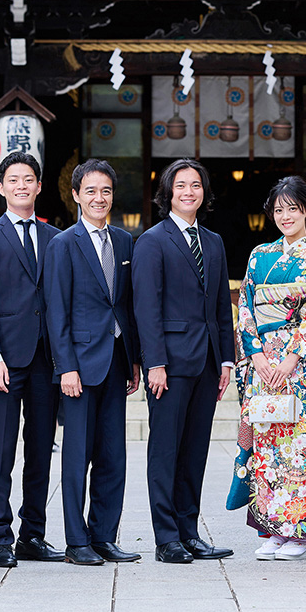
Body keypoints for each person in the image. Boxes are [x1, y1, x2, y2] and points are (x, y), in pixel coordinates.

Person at [231, 176, 306, 562]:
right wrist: (257, 357)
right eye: (278, 210)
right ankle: (272, 530)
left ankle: (300, 535)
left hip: (301, 370)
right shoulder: (259, 254)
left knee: (299, 448)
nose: (285, 216)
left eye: (293, 209)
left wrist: (292, 358)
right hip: (265, 367)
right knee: (267, 448)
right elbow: (246, 307)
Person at [132, 158, 236, 564]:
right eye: (181, 185)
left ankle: (189, 532)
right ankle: (166, 538)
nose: (188, 192)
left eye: (195, 185)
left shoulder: (214, 241)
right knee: (165, 451)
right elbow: (146, 308)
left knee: (194, 452)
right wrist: (154, 363)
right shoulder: (152, 241)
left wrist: (226, 360)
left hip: (207, 362)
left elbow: (221, 307)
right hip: (170, 365)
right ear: (168, 193)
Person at [0, 152, 63, 568]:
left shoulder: (56, 237)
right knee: (2, 449)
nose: (21, 186)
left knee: (40, 450)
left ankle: (32, 535)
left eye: (28, 179)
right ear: (1, 186)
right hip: (4, 360)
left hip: (46, 358)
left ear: (39, 186)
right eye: (13, 179)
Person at [46, 159, 143, 566]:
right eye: (90, 191)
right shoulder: (62, 244)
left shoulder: (124, 241)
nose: (98, 198)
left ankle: (104, 536)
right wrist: (65, 366)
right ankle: (76, 541)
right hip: (79, 367)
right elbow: (56, 310)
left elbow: (127, 304)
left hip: (117, 361)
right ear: (75, 196)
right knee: (77, 457)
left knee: (112, 455)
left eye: (105, 191)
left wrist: (134, 359)